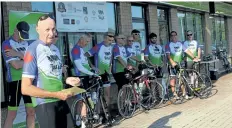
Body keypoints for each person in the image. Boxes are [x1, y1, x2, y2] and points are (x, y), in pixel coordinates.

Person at [21, 15, 80, 128]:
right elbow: (25, 88)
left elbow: (53, 75)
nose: (52, 33)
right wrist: (55, 94)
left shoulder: (55, 49)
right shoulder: (32, 49)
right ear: (37, 30)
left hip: (61, 100)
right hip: (45, 104)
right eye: (47, 30)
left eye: (53, 29)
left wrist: (67, 79)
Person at [2, 21, 35, 128]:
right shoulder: (7, 44)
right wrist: (26, 58)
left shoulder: (28, 43)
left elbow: (34, 60)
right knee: (12, 114)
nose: (22, 38)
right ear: (16, 30)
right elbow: (16, 65)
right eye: (21, 35)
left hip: (29, 80)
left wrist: (17, 54)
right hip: (16, 82)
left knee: (31, 112)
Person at [71, 34, 97, 127]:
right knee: (81, 100)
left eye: (89, 42)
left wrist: (92, 69)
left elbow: (85, 63)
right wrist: (92, 73)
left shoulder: (81, 49)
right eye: (87, 41)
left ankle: (84, 119)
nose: (87, 44)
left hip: (85, 77)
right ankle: (81, 121)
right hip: (79, 78)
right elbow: (79, 67)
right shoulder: (76, 49)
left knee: (85, 99)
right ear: (81, 39)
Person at [165, 31, 199, 100]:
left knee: (182, 78)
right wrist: (172, 62)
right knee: (173, 79)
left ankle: (184, 93)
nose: (174, 37)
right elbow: (168, 56)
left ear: (176, 36)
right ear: (170, 37)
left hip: (180, 63)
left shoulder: (180, 43)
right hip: (173, 65)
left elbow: (187, 51)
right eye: (172, 35)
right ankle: (174, 94)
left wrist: (194, 58)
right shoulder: (168, 44)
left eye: (175, 35)